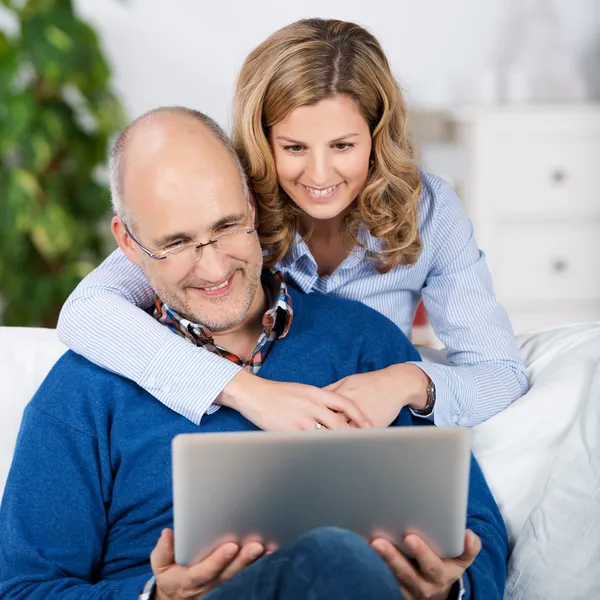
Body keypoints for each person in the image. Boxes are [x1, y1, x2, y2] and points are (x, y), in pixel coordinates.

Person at [0, 108, 508, 600]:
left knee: (335, 560)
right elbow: (23, 588)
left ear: (253, 206)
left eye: (226, 226)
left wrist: (448, 588)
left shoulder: (363, 344)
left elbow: (474, 527)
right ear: (129, 246)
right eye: (178, 243)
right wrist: (156, 595)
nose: (215, 266)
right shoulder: (84, 389)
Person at [57, 18, 527, 432]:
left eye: (343, 146)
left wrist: (406, 381)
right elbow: (88, 310)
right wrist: (244, 391)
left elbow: (500, 373)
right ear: (263, 141)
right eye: (295, 148)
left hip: (361, 448)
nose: (320, 176)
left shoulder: (431, 210)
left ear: (376, 137)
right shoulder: (229, 209)